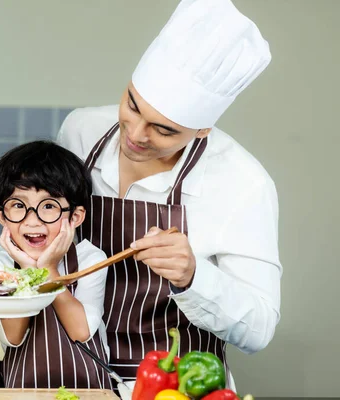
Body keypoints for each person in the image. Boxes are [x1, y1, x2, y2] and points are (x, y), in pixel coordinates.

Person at [57, 0, 281, 388]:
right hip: (75, 375)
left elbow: (259, 329)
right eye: (131, 105)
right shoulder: (80, 131)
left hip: (177, 385)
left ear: (201, 130)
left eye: (163, 130)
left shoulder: (241, 182)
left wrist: (193, 275)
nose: (136, 134)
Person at [0, 141, 112, 389]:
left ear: (75, 217)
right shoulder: (0, 264)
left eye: (49, 206)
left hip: (89, 392)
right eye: (18, 206)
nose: (33, 221)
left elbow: (81, 332)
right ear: (1, 215)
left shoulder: (90, 259)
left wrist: (48, 271)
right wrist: (26, 271)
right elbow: (12, 336)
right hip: (22, 393)